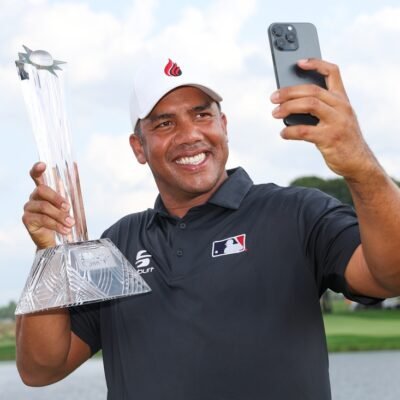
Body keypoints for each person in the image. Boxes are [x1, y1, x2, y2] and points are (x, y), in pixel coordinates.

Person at [17, 55, 400, 400]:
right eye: (165, 123)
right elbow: (40, 369)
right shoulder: (117, 244)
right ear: (138, 147)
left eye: (202, 115)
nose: (190, 135)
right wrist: (49, 252)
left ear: (224, 125)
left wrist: (360, 167)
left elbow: (389, 277)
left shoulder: (296, 212)